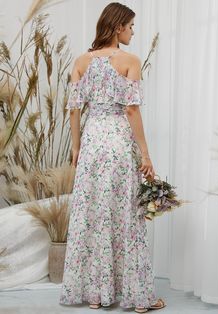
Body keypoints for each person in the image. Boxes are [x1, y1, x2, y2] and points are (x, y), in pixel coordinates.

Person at [59, 2, 166, 313]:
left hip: (92, 142)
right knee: (125, 216)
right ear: (118, 27)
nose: (133, 31)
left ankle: (96, 294)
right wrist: (145, 154)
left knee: (92, 212)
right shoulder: (129, 60)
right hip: (118, 141)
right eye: (131, 26)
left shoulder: (80, 61)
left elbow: (74, 110)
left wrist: (77, 147)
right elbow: (131, 110)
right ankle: (138, 298)